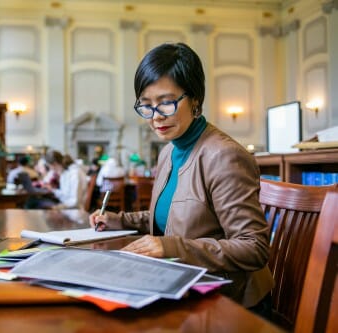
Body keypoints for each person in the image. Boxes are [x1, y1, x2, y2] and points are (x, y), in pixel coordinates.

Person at [89, 42, 274, 318]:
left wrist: (170, 246)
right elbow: (172, 215)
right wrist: (120, 220)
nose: (155, 118)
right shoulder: (169, 151)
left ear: (195, 99)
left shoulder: (224, 155)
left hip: (230, 304)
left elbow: (253, 247)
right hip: (185, 285)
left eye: (166, 103)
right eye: (147, 106)